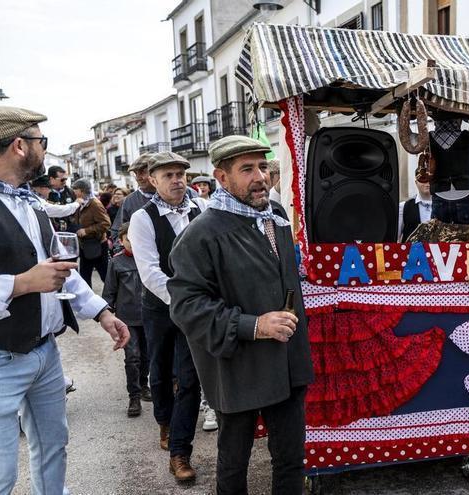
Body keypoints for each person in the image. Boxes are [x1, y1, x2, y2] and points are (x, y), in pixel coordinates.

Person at [169, 135, 313, 494]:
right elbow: (187, 307)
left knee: (291, 460)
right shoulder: (200, 234)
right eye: (246, 169)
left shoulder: (276, 215)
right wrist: (255, 325)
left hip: (287, 362)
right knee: (234, 466)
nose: (260, 176)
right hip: (238, 369)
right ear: (222, 177)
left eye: (262, 166)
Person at [0, 106, 129, 494]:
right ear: (20, 145)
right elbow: (34, 278)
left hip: (46, 353)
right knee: (1, 472)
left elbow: (61, 268)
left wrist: (102, 312)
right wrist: (21, 283)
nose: (44, 149)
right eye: (41, 141)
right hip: (2, 358)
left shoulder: (29, 202)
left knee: (53, 447)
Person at [128, 151, 207, 482]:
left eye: (180, 174)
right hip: (160, 307)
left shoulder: (202, 209)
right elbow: (149, 271)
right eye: (168, 175)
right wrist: (182, 300)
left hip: (195, 308)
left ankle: (179, 452)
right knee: (159, 370)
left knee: (190, 377)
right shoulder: (142, 218)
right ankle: (164, 419)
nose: (177, 180)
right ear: (153, 180)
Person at [103, 221, 151, 417]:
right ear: (121, 241)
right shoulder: (116, 262)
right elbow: (109, 291)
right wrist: (107, 312)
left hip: (148, 316)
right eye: (127, 239)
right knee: (132, 357)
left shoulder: (149, 259)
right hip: (127, 319)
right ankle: (134, 396)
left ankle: (143, 384)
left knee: (147, 356)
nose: (132, 242)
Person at [71, 179, 111, 287]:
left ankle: (115, 296)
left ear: (82, 190)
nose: (74, 191)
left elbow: (106, 223)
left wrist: (86, 230)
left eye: (75, 189)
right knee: (84, 277)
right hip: (86, 246)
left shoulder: (94, 204)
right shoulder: (81, 202)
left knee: (105, 276)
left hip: (97, 246)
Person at [110, 153, 156, 242]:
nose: (138, 178)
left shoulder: (175, 195)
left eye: (142, 172)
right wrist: (126, 247)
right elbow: (116, 232)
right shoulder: (129, 201)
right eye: (135, 173)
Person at [46, 165, 75, 231]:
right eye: (62, 180)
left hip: (69, 231)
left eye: (66, 179)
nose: (65, 181)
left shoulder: (70, 192)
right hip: (51, 230)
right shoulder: (44, 194)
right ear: (52, 179)